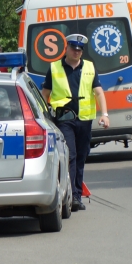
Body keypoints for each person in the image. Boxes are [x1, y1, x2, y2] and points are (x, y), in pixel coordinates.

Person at [41, 33, 109, 212]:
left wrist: (105, 114)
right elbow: (45, 94)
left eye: (80, 50)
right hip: (64, 119)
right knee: (70, 155)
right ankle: (69, 197)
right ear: (67, 49)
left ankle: (77, 195)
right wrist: (42, 116)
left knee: (81, 156)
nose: (76, 52)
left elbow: (99, 92)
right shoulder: (55, 68)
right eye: (73, 48)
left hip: (85, 120)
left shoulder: (89, 67)